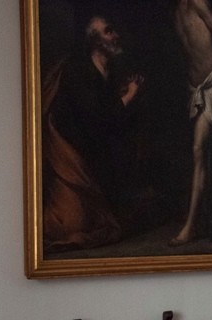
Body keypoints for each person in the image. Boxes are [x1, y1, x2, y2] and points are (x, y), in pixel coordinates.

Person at [42, 15, 145, 251]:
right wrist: (128, 96)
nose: (115, 35)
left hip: (93, 155)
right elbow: (95, 119)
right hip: (68, 157)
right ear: (94, 41)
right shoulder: (76, 71)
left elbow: (110, 122)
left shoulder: (109, 71)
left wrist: (124, 96)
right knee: (70, 225)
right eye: (109, 31)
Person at [170, 0, 212, 246]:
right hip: (195, 89)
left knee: (198, 150)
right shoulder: (176, 11)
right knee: (197, 155)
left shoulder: (197, 2)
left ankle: (191, 226)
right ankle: (199, 220)